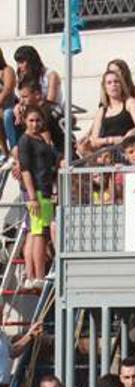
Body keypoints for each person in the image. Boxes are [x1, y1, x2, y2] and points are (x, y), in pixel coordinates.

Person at [16, 106, 57, 286]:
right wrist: (32, 197)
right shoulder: (25, 141)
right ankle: (38, 276)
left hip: (45, 189)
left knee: (34, 233)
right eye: (31, 120)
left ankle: (31, 276)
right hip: (38, 191)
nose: (35, 124)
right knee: (39, 233)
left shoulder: (40, 138)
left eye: (38, 120)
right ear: (25, 121)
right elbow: (25, 170)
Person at [81, 70, 135, 154]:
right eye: (109, 83)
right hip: (106, 151)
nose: (113, 85)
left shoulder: (129, 102)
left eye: (116, 81)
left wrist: (130, 134)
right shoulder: (102, 110)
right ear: (105, 88)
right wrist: (111, 140)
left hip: (125, 149)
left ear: (121, 85)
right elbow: (94, 140)